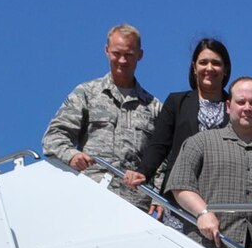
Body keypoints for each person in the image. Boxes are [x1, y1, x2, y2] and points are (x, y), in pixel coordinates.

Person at [42, 23, 166, 203]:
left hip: (136, 206)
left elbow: (164, 158)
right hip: (90, 196)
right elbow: (53, 136)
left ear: (140, 55)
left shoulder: (154, 107)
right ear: (107, 51)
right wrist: (72, 156)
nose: (122, 60)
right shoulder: (87, 93)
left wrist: (158, 198)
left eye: (129, 55)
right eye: (117, 53)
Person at [168, 76, 252, 248]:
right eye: (241, 102)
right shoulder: (200, 142)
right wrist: (202, 213)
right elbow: (180, 186)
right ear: (228, 106)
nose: (247, 108)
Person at [154, 38, 233, 197]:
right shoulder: (177, 102)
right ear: (194, 67)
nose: (209, 68)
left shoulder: (237, 107)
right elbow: (158, 146)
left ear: (225, 69)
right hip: (179, 196)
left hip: (221, 194)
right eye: (203, 62)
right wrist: (142, 173)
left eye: (216, 63)